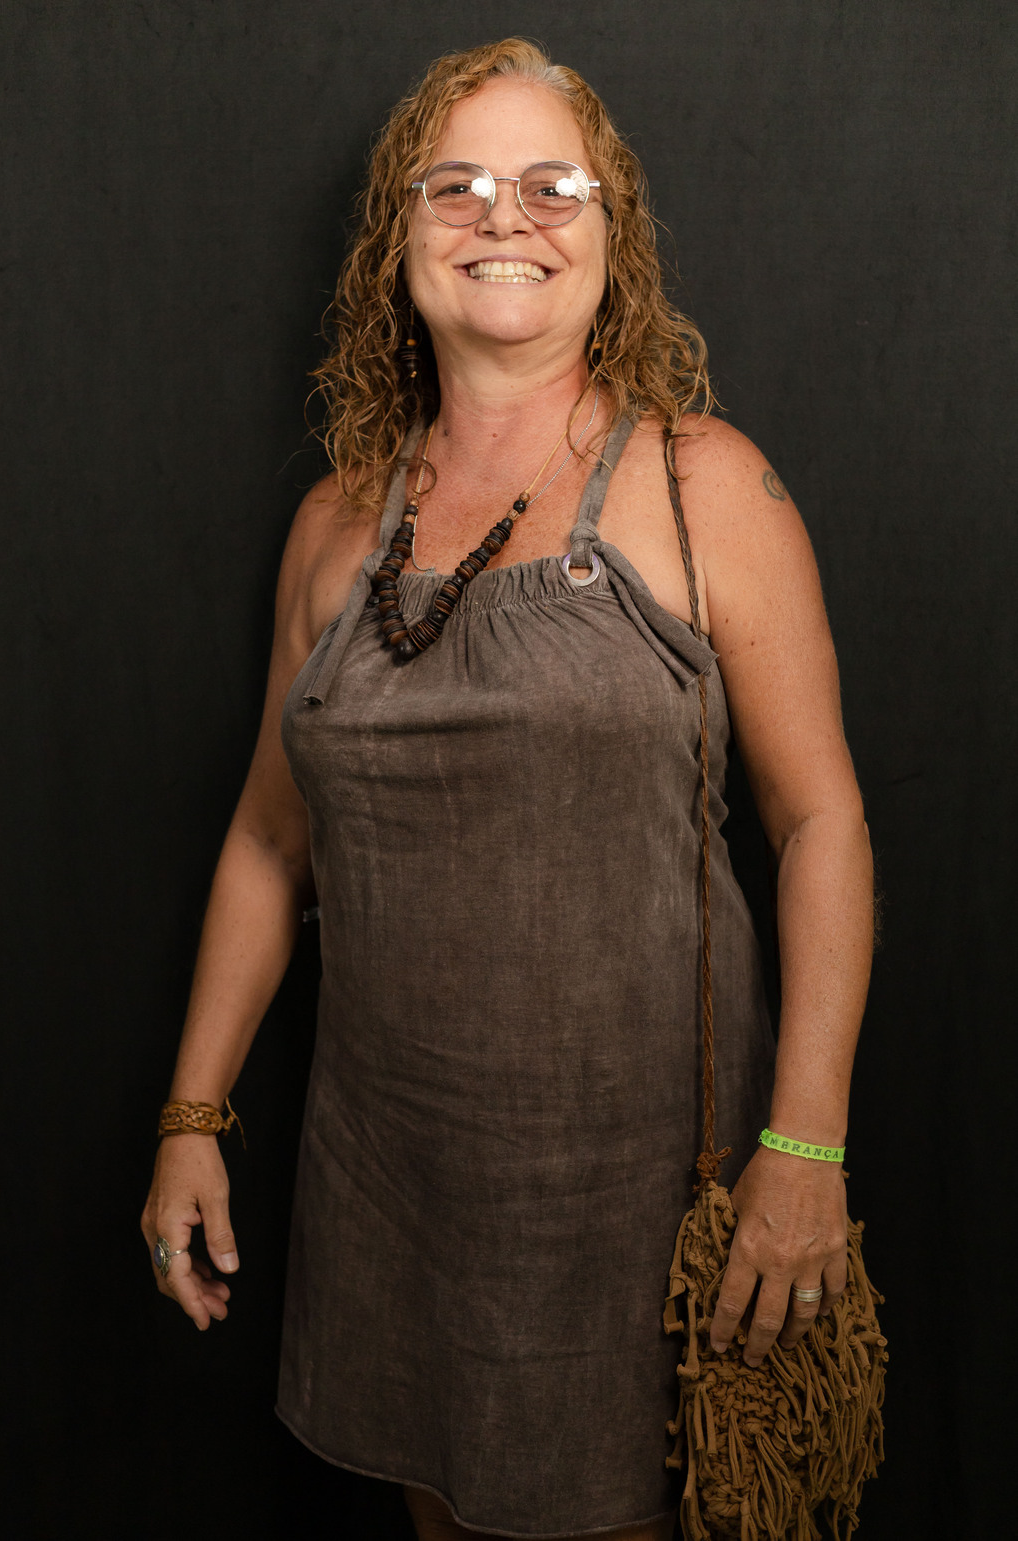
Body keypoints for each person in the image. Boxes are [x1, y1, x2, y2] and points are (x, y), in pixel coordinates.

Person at [141, 37, 873, 1541]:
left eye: (552, 185)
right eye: (457, 186)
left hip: (640, 1191)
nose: (504, 217)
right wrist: (192, 1111)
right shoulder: (335, 530)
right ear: (400, 239)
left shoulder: (704, 485)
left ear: (613, 235)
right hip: (394, 1179)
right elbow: (269, 844)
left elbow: (822, 825)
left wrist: (805, 1145)